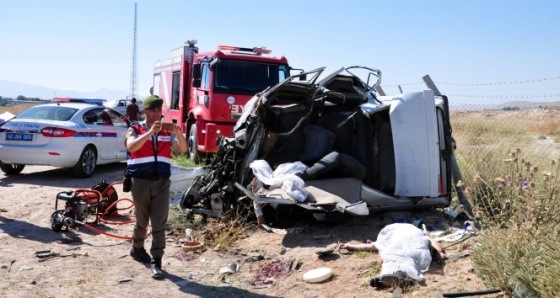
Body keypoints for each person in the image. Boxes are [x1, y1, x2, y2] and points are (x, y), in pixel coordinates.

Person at [125, 95, 187, 279]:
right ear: (145, 111)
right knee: (141, 222)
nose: (157, 113)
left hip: (161, 182)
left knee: (159, 224)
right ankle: (137, 248)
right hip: (140, 182)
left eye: (159, 110)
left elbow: (182, 149)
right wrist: (150, 132)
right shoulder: (134, 129)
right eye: (153, 110)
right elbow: (132, 147)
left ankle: (156, 261)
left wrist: (179, 133)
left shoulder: (166, 132)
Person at [339, 223, 446, 288]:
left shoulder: (392, 237)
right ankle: (404, 277)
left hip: (398, 248)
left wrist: (350, 245)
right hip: (413, 248)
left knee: (391, 258)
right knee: (410, 259)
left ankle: (385, 277)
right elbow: (431, 241)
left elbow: (371, 246)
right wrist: (440, 252)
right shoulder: (419, 232)